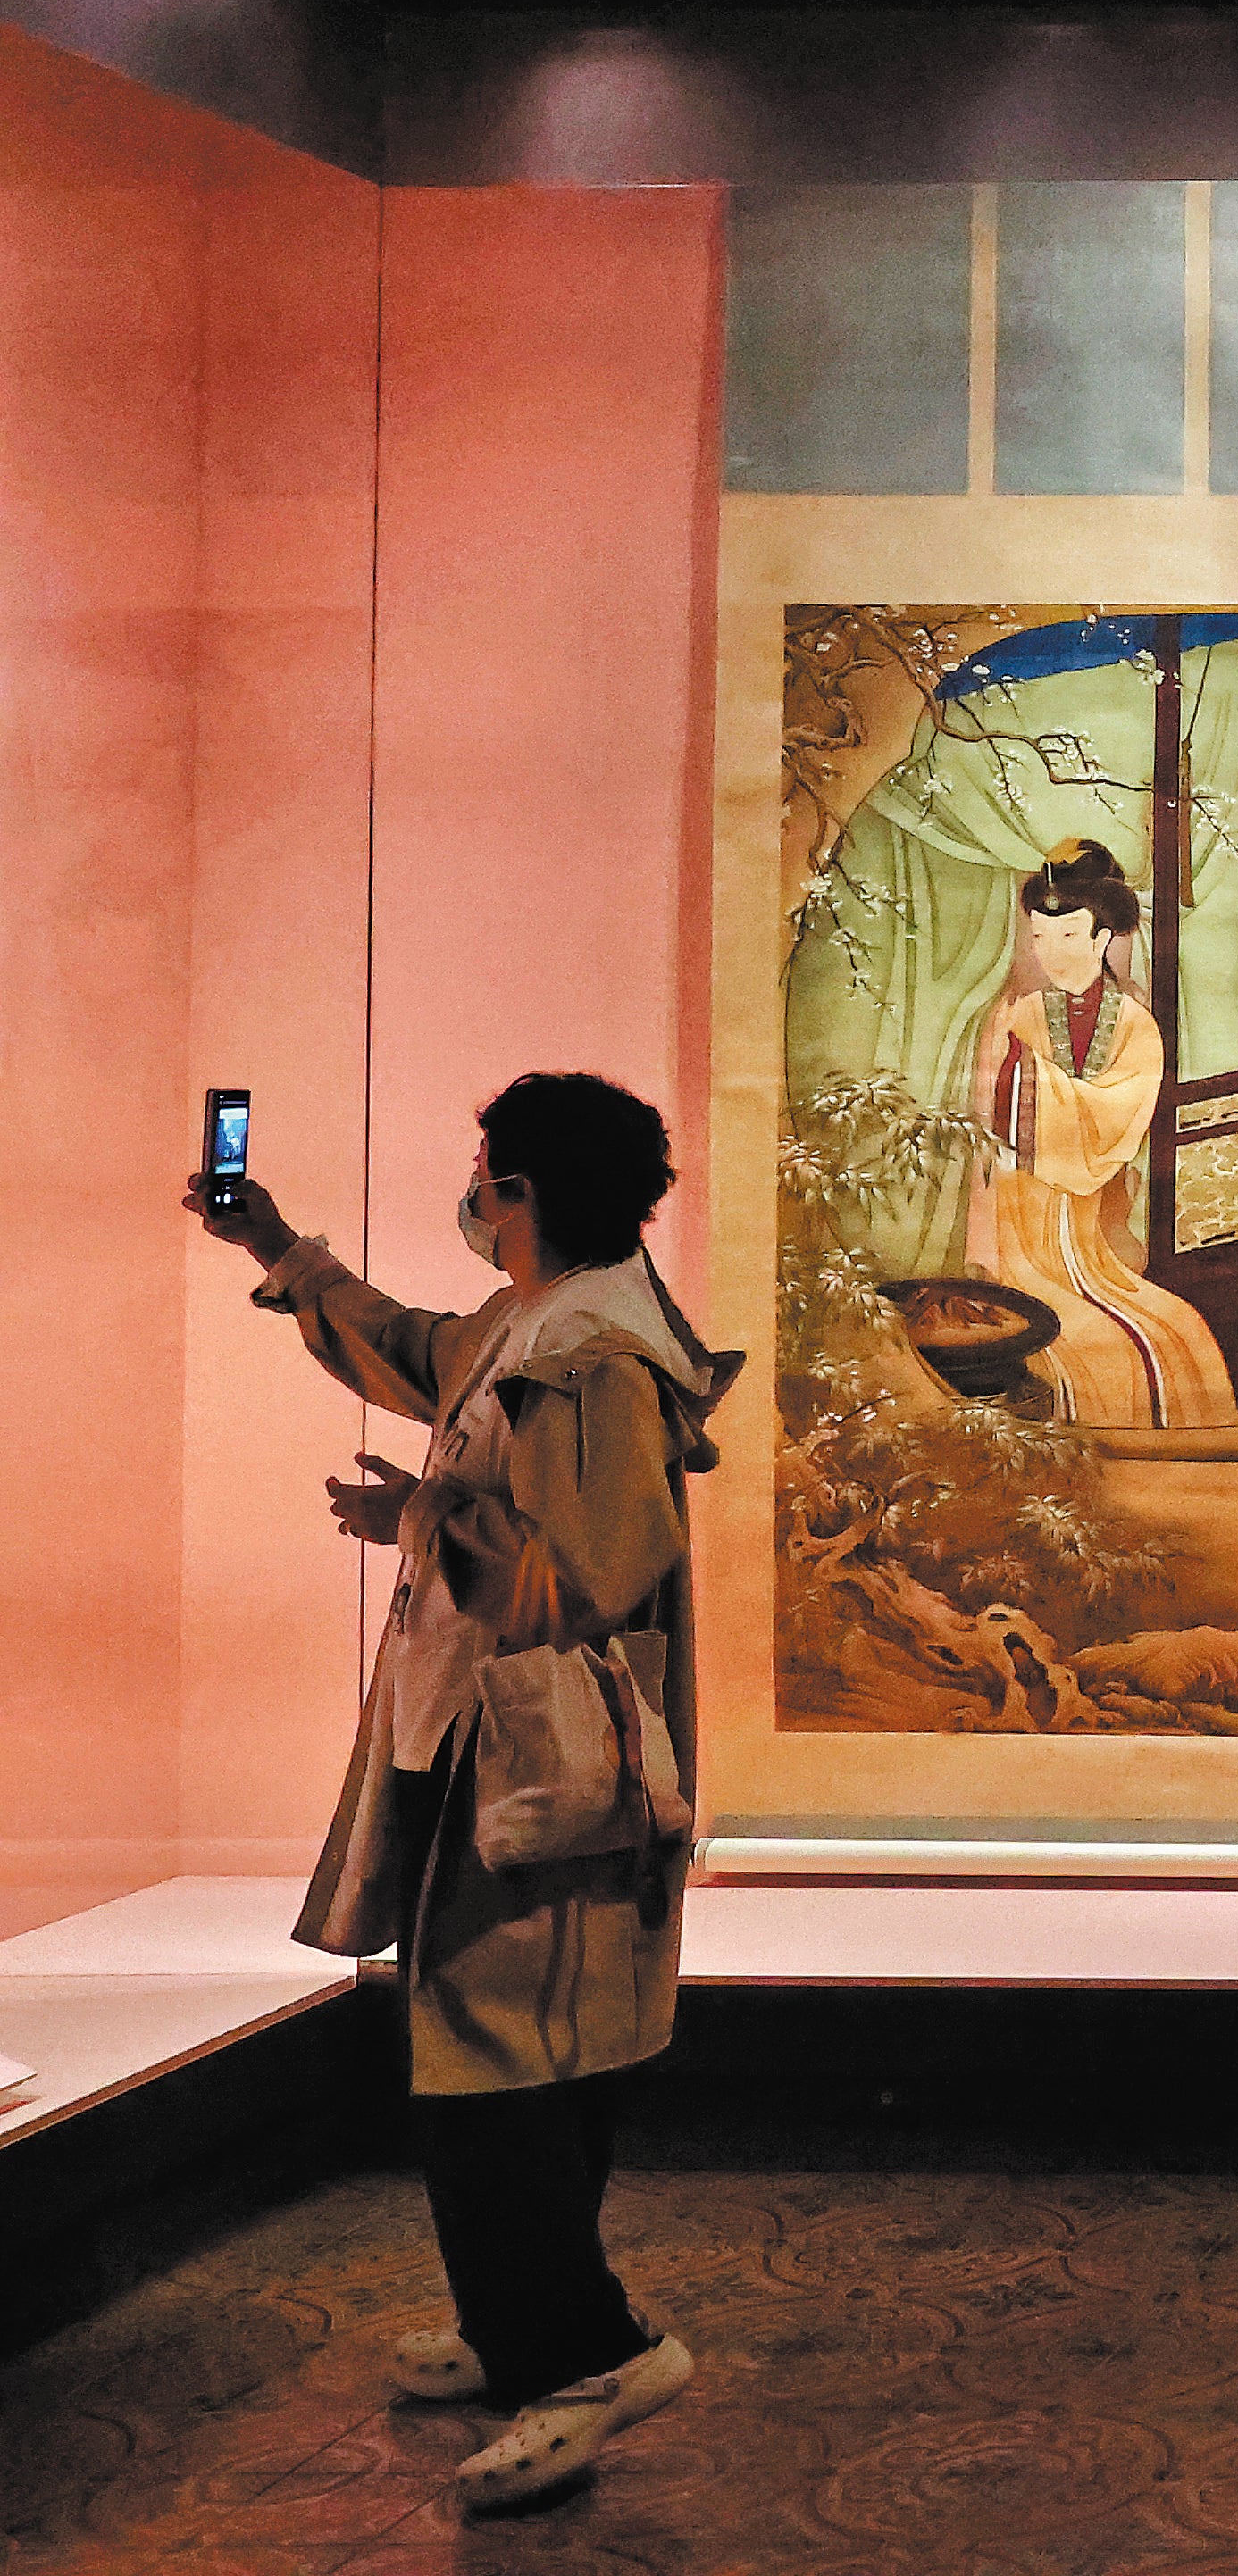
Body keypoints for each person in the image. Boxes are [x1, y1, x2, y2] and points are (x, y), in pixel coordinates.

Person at [188, 1072, 736, 2515]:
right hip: (502, 1749)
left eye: (484, 1170)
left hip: (541, 1762)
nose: (473, 1191)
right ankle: (521, 2332)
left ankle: (591, 2353)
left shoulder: (592, 1351)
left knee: (493, 2062)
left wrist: (420, 1512)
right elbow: (423, 1352)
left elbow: (600, 1564)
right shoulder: (554, 1317)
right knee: (535, 2051)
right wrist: (280, 1248)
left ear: (524, 1191)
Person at [966, 838, 1238, 1427]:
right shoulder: (1019, 1014)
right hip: (1018, 1221)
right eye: (1040, 937)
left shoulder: (1137, 1025)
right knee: (1092, 1349)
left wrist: (1029, 1073)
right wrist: (1012, 1061)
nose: (1052, 953)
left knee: (1178, 1332)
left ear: (1100, 938)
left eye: (1068, 936)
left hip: (1087, 1230)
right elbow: (991, 1123)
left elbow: (1115, 1123)